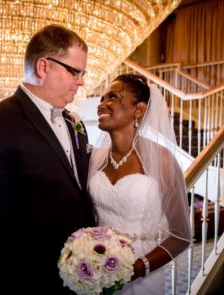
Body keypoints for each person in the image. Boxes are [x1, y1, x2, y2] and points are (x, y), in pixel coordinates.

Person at [0, 24, 96, 294]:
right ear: (44, 67)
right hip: (25, 283)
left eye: (82, 73)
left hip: (77, 279)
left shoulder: (74, 123)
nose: (81, 81)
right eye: (74, 71)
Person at [88, 74, 192, 294]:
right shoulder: (95, 159)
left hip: (143, 274)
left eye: (113, 97)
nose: (102, 105)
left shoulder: (161, 159)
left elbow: (181, 236)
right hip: (98, 269)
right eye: (102, 98)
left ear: (139, 110)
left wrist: (135, 268)